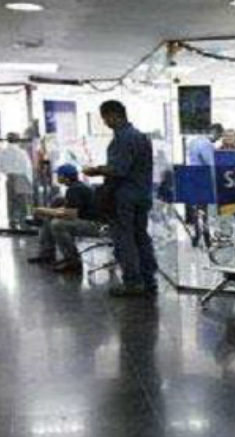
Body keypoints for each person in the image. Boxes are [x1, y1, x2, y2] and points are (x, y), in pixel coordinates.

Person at [82, 100, 157, 297]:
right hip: (142, 194)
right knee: (141, 237)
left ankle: (132, 282)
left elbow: (118, 169)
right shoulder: (141, 136)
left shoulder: (123, 138)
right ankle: (148, 279)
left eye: (105, 118)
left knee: (125, 239)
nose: (105, 122)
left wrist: (95, 170)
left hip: (125, 197)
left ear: (113, 115)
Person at [27, 164, 100, 273]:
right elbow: (68, 209)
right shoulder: (76, 187)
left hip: (95, 225)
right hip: (89, 220)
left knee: (58, 224)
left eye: (59, 175)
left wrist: (44, 211)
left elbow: (70, 214)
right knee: (52, 214)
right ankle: (47, 253)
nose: (57, 178)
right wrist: (49, 211)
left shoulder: (75, 190)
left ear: (65, 177)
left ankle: (73, 261)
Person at [185, 123, 219, 247]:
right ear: (214, 132)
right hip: (203, 180)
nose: (217, 139)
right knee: (204, 210)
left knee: (197, 209)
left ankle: (197, 235)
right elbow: (210, 164)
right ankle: (206, 237)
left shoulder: (193, 142)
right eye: (218, 136)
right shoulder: (206, 144)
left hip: (193, 178)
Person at [0, 132, 33, 230]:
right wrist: (29, 181)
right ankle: (23, 223)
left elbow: (1, 167)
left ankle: (12, 221)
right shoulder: (21, 152)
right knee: (23, 202)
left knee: (11, 201)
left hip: (9, 177)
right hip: (21, 177)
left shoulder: (3, 152)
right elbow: (27, 167)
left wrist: (8, 172)